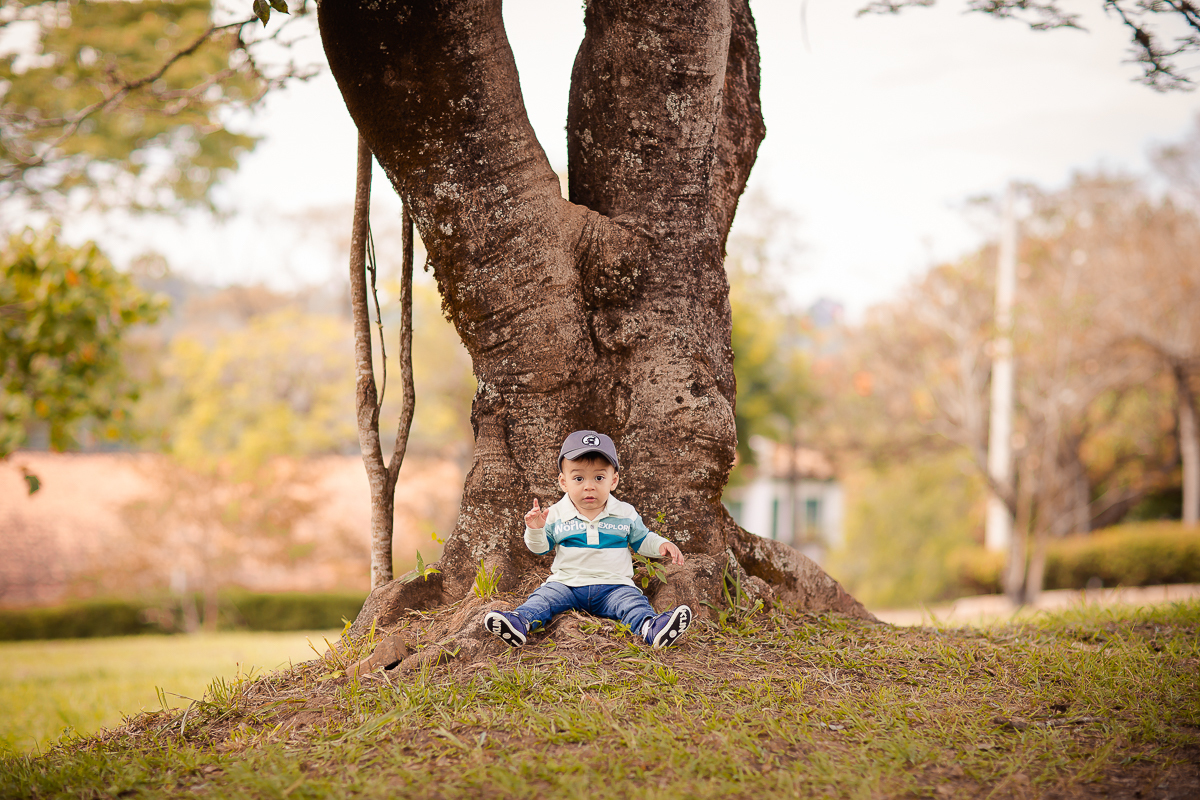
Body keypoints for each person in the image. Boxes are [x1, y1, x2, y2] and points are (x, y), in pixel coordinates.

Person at [483, 430, 692, 649]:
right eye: (579, 478)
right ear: (564, 482)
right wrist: (536, 529)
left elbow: (642, 539)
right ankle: (520, 622)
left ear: (614, 480)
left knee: (632, 603)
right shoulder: (556, 513)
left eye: (599, 478)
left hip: (614, 586)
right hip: (567, 584)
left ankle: (651, 627)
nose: (589, 486)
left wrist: (661, 544)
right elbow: (541, 548)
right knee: (544, 599)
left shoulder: (624, 513)